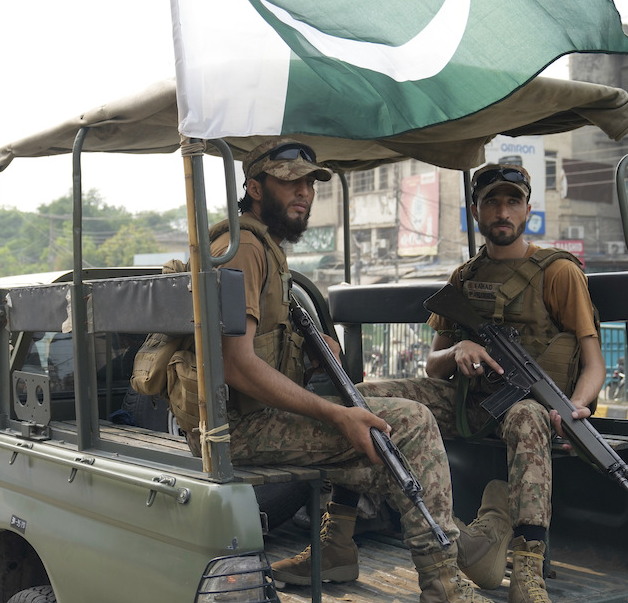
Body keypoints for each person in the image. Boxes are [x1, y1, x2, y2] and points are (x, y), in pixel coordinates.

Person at [198, 138, 488, 602]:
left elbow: (257, 348)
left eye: (311, 184)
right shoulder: (244, 248)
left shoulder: (262, 245)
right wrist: (336, 415)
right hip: (238, 427)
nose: (305, 193)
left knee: (384, 425)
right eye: (290, 182)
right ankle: (446, 586)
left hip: (246, 417)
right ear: (253, 186)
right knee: (410, 423)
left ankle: (341, 549)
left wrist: (307, 349)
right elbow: (238, 365)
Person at [363, 162, 605, 603]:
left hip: (529, 408)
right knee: (364, 398)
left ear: (528, 209)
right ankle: (339, 531)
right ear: (476, 211)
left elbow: (593, 364)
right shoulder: (464, 277)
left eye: (512, 201)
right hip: (467, 402)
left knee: (529, 416)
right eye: (491, 201)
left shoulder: (558, 272)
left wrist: (576, 407)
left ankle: (529, 570)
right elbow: (434, 367)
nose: (502, 211)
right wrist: (457, 351)